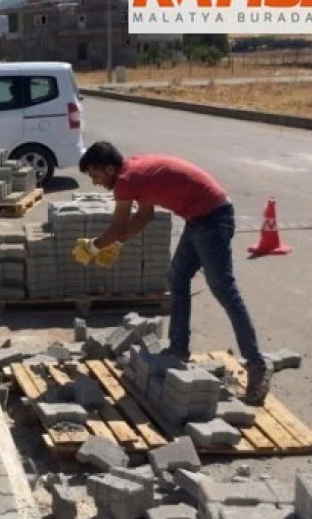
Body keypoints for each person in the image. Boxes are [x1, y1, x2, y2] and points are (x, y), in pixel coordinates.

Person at [75, 141, 273, 406]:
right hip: (200, 217)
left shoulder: (126, 179)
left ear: (109, 169)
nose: (95, 182)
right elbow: (144, 217)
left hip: (213, 218)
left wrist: (94, 246)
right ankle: (178, 348)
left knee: (224, 290)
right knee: (177, 276)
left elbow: (119, 224)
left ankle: (257, 365)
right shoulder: (132, 172)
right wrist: (119, 244)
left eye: (95, 175)